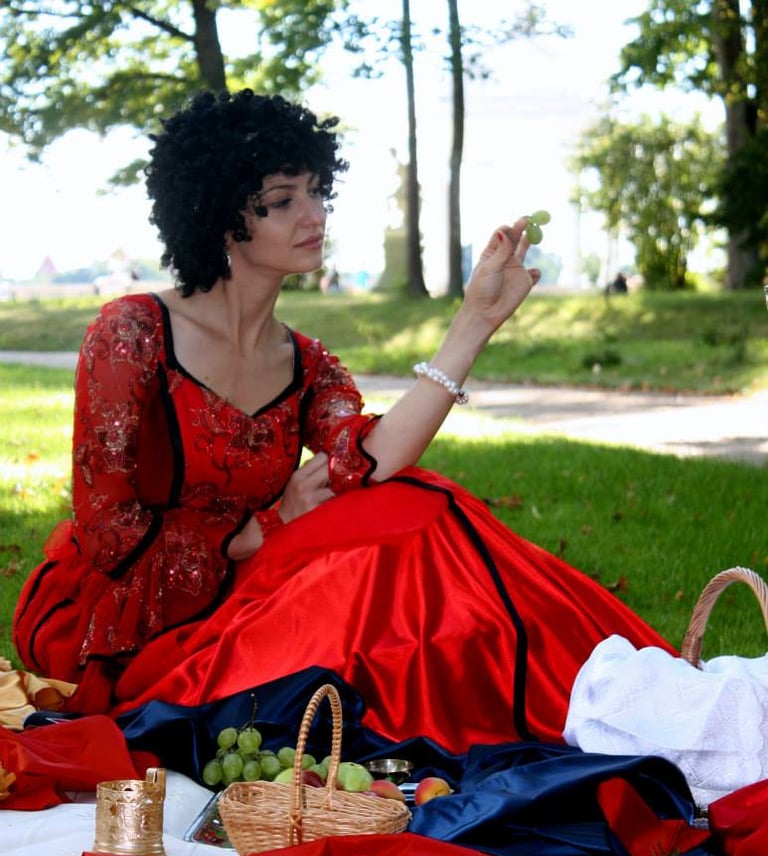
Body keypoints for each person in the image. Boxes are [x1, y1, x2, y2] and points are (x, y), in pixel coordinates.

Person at [12, 89, 672, 751]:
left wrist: (475, 321)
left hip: (257, 591)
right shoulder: (133, 333)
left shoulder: (306, 363)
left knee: (415, 505)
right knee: (391, 548)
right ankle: (575, 692)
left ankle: (593, 690)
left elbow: (373, 460)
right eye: (282, 201)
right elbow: (108, 530)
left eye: (317, 192)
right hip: (137, 617)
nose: (315, 214)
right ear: (218, 213)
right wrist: (260, 529)